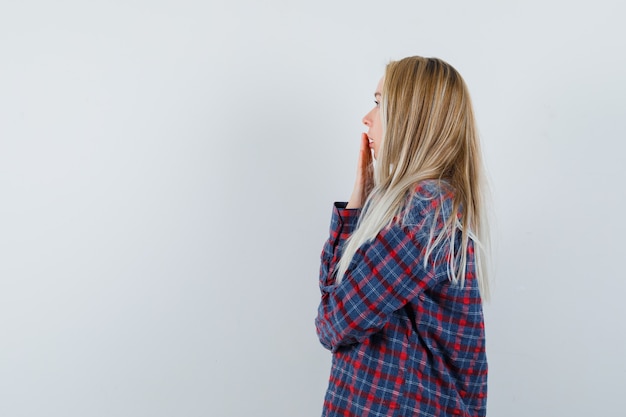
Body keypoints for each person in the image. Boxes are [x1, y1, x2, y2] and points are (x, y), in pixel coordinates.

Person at [315, 56, 489, 417]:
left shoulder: (424, 215)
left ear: (413, 119)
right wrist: (359, 198)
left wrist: (358, 208)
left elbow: (332, 324)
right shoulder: (412, 210)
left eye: (380, 103)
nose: (367, 118)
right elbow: (336, 297)